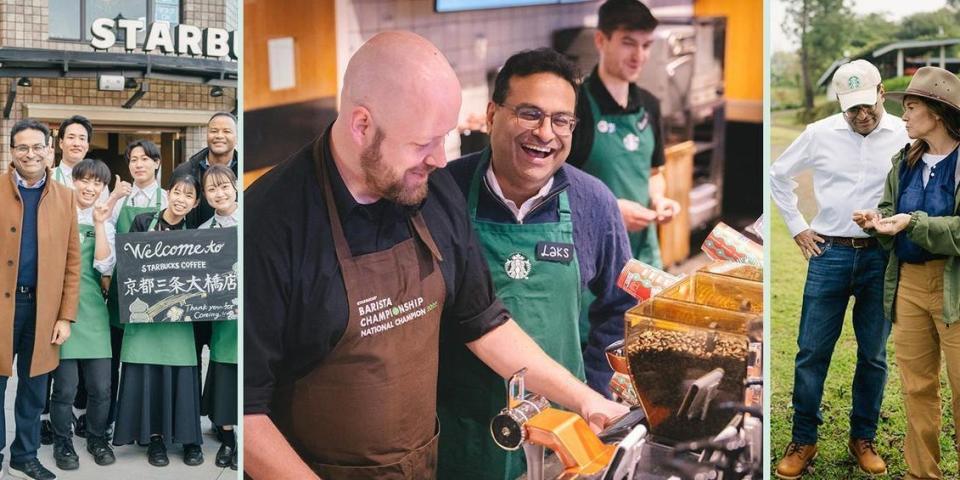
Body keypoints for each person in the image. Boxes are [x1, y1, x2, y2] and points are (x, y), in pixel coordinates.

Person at [244, 31, 628, 479]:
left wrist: (587, 399)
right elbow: (247, 412)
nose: (441, 160)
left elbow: (484, 323)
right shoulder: (271, 223)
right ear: (362, 124)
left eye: (445, 139)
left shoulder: (432, 191)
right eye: (423, 143)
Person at [440, 48, 635, 479]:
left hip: (563, 432)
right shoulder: (442, 194)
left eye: (561, 120)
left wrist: (596, 390)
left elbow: (622, 306)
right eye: (529, 113)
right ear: (492, 114)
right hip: (461, 429)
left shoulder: (593, 202)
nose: (545, 133)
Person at [770, 59, 908, 478]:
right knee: (812, 352)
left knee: (874, 354)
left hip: (880, 256)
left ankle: (862, 436)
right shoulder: (818, 134)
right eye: (852, 109)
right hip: (828, 254)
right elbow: (778, 176)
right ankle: (804, 439)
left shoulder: (905, 133)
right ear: (840, 104)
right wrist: (797, 227)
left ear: (882, 93)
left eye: (868, 105)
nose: (861, 115)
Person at [854, 66, 960, 480]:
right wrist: (877, 221)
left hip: (954, 287)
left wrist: (910, 222)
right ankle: (921, 474)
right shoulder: (905, 159)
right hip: (909, 286)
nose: (903, 116)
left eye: (912, 108)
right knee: (917, 389)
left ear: (936, 112)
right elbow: (889, 208)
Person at [567, 0, 681, 269]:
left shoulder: (650, 105)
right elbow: (553, 184)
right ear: (600, 40)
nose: (638, 56)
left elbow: (654, 172)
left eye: (646, 45)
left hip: (643, 257)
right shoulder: (575, 105)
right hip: (591, 256)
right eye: (628, 43)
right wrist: (611, 210)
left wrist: (659, 199)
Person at [0, 118, 80, 480]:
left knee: (34, 390)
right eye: (22, 147)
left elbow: (72, 262)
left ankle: (25, 455)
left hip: (43, 310)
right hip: (3, 308)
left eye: (37, 147)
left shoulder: (65, 197)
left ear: (50, 150)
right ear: (12, 151)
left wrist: (65, 316)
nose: (29, 154)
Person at [112, 173, 204, 468]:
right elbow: (126, 263)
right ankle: (154, 439)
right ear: (168, 193)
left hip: (180, 317)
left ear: (196, 202)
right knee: (149, 374)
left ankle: (189, 439)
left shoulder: (198, 230)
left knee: (183, 374)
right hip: (146, 318)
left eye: (189, 196)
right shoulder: (142, 222)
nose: (181, 199)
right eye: (177, 192)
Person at [50, 159, 120, 472]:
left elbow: (105, 268)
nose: (90, 188)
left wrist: (101, 223)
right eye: (85, 181)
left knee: (101, 387)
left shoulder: (105, 220)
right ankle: (63, 442)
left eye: (97, 183)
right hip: (62, 314)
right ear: (73, 181)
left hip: (94, 313)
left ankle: (95, 438)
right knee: (64, 389)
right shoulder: (55, 215)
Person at [104, 139, 168, 441]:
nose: (138, 164)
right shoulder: (120, 200)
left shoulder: (169, 198)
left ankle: (147, 421)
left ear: (157, 163)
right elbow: (105, 233)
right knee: (116, 355)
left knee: (146, 356)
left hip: (155, 294)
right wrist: (114, 195)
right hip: (121, 289)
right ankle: (110, 416)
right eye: (133, 159)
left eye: (144, 158)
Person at [198, 165, 239, 470]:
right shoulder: (203, 233)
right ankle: (228, 440)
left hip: (256, 312)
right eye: (212, 189)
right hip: (223, 315)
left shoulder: (256, 218)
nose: (219, 193)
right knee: (225, 369)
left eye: (224, 186)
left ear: (235, 186)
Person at [172, 112, 238, 228]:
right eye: (214, 131)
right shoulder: (184, 171)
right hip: (195, 240)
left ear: (237, 137)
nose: (219, 136)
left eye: (226, 131)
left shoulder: (246, 170)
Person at [50, 116, 109, 203]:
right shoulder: (50, 177)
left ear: (87, 146)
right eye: (71, 137)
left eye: (82, 138)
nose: (76, 143)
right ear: (61, 143)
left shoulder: (99, 181)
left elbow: (105, 214)